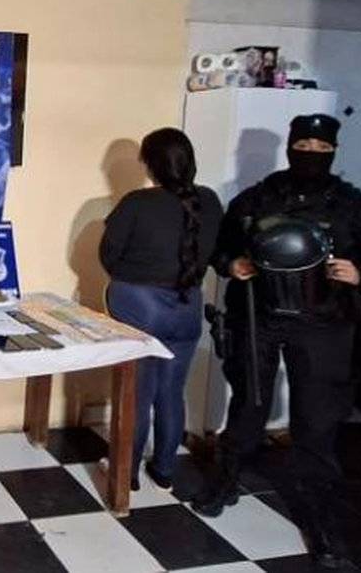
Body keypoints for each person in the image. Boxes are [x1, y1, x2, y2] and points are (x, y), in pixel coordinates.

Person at [192, 114, 361, 569]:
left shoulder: (352, 206)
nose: (311, 153)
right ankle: (226, 480)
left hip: (323, 325)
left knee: (316, 420)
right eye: (303, 145)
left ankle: (320, 516)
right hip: (259, 317)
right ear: (290, 147)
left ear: (333, 151)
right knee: (248, 404)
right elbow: (220, 249)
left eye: (321, 147)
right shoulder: (257, 198)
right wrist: (231, 265)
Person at [99, 128, 223, 490]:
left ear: (151, 165)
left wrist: (132, 280)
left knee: (137, 393)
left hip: (139, 305)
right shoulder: (209, 201)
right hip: (188, 305)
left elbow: (109, 256)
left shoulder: (136, 203)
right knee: (171, 390)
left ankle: (126, 475)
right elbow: (212, 252)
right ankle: (165, 470)